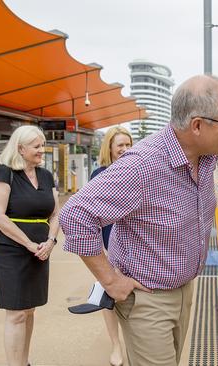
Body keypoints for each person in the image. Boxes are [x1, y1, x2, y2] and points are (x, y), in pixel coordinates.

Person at [60, 74, 218, 366]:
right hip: (148, 301)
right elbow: (76, 215)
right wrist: (110, 280)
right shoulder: (142, 166)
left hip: (184, 291)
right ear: (197, 125)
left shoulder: (207, 158)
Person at [0, 125, 60, 366]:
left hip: (40, 250)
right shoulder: (5, 173)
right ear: (20, 148)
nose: (42, 150)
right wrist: (29, 244)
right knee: (16, 312)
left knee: (29, 310)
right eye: (37, 146)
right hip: (12, 250)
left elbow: (55, 214)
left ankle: (24, 361)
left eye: (42, 145)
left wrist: (51, 241)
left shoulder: (46, 175)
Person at [90, 126, 133, 366]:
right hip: (107, 245)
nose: (125, 149)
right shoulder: (100, 175)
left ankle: (132, 341)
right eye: (120, 145)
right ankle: (116, 345)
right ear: (110, 148)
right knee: (109, 296)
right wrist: (101, 252)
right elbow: (91, 217)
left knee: (131, 296)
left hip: (134, 246)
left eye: (129, 144)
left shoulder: (138, 171)